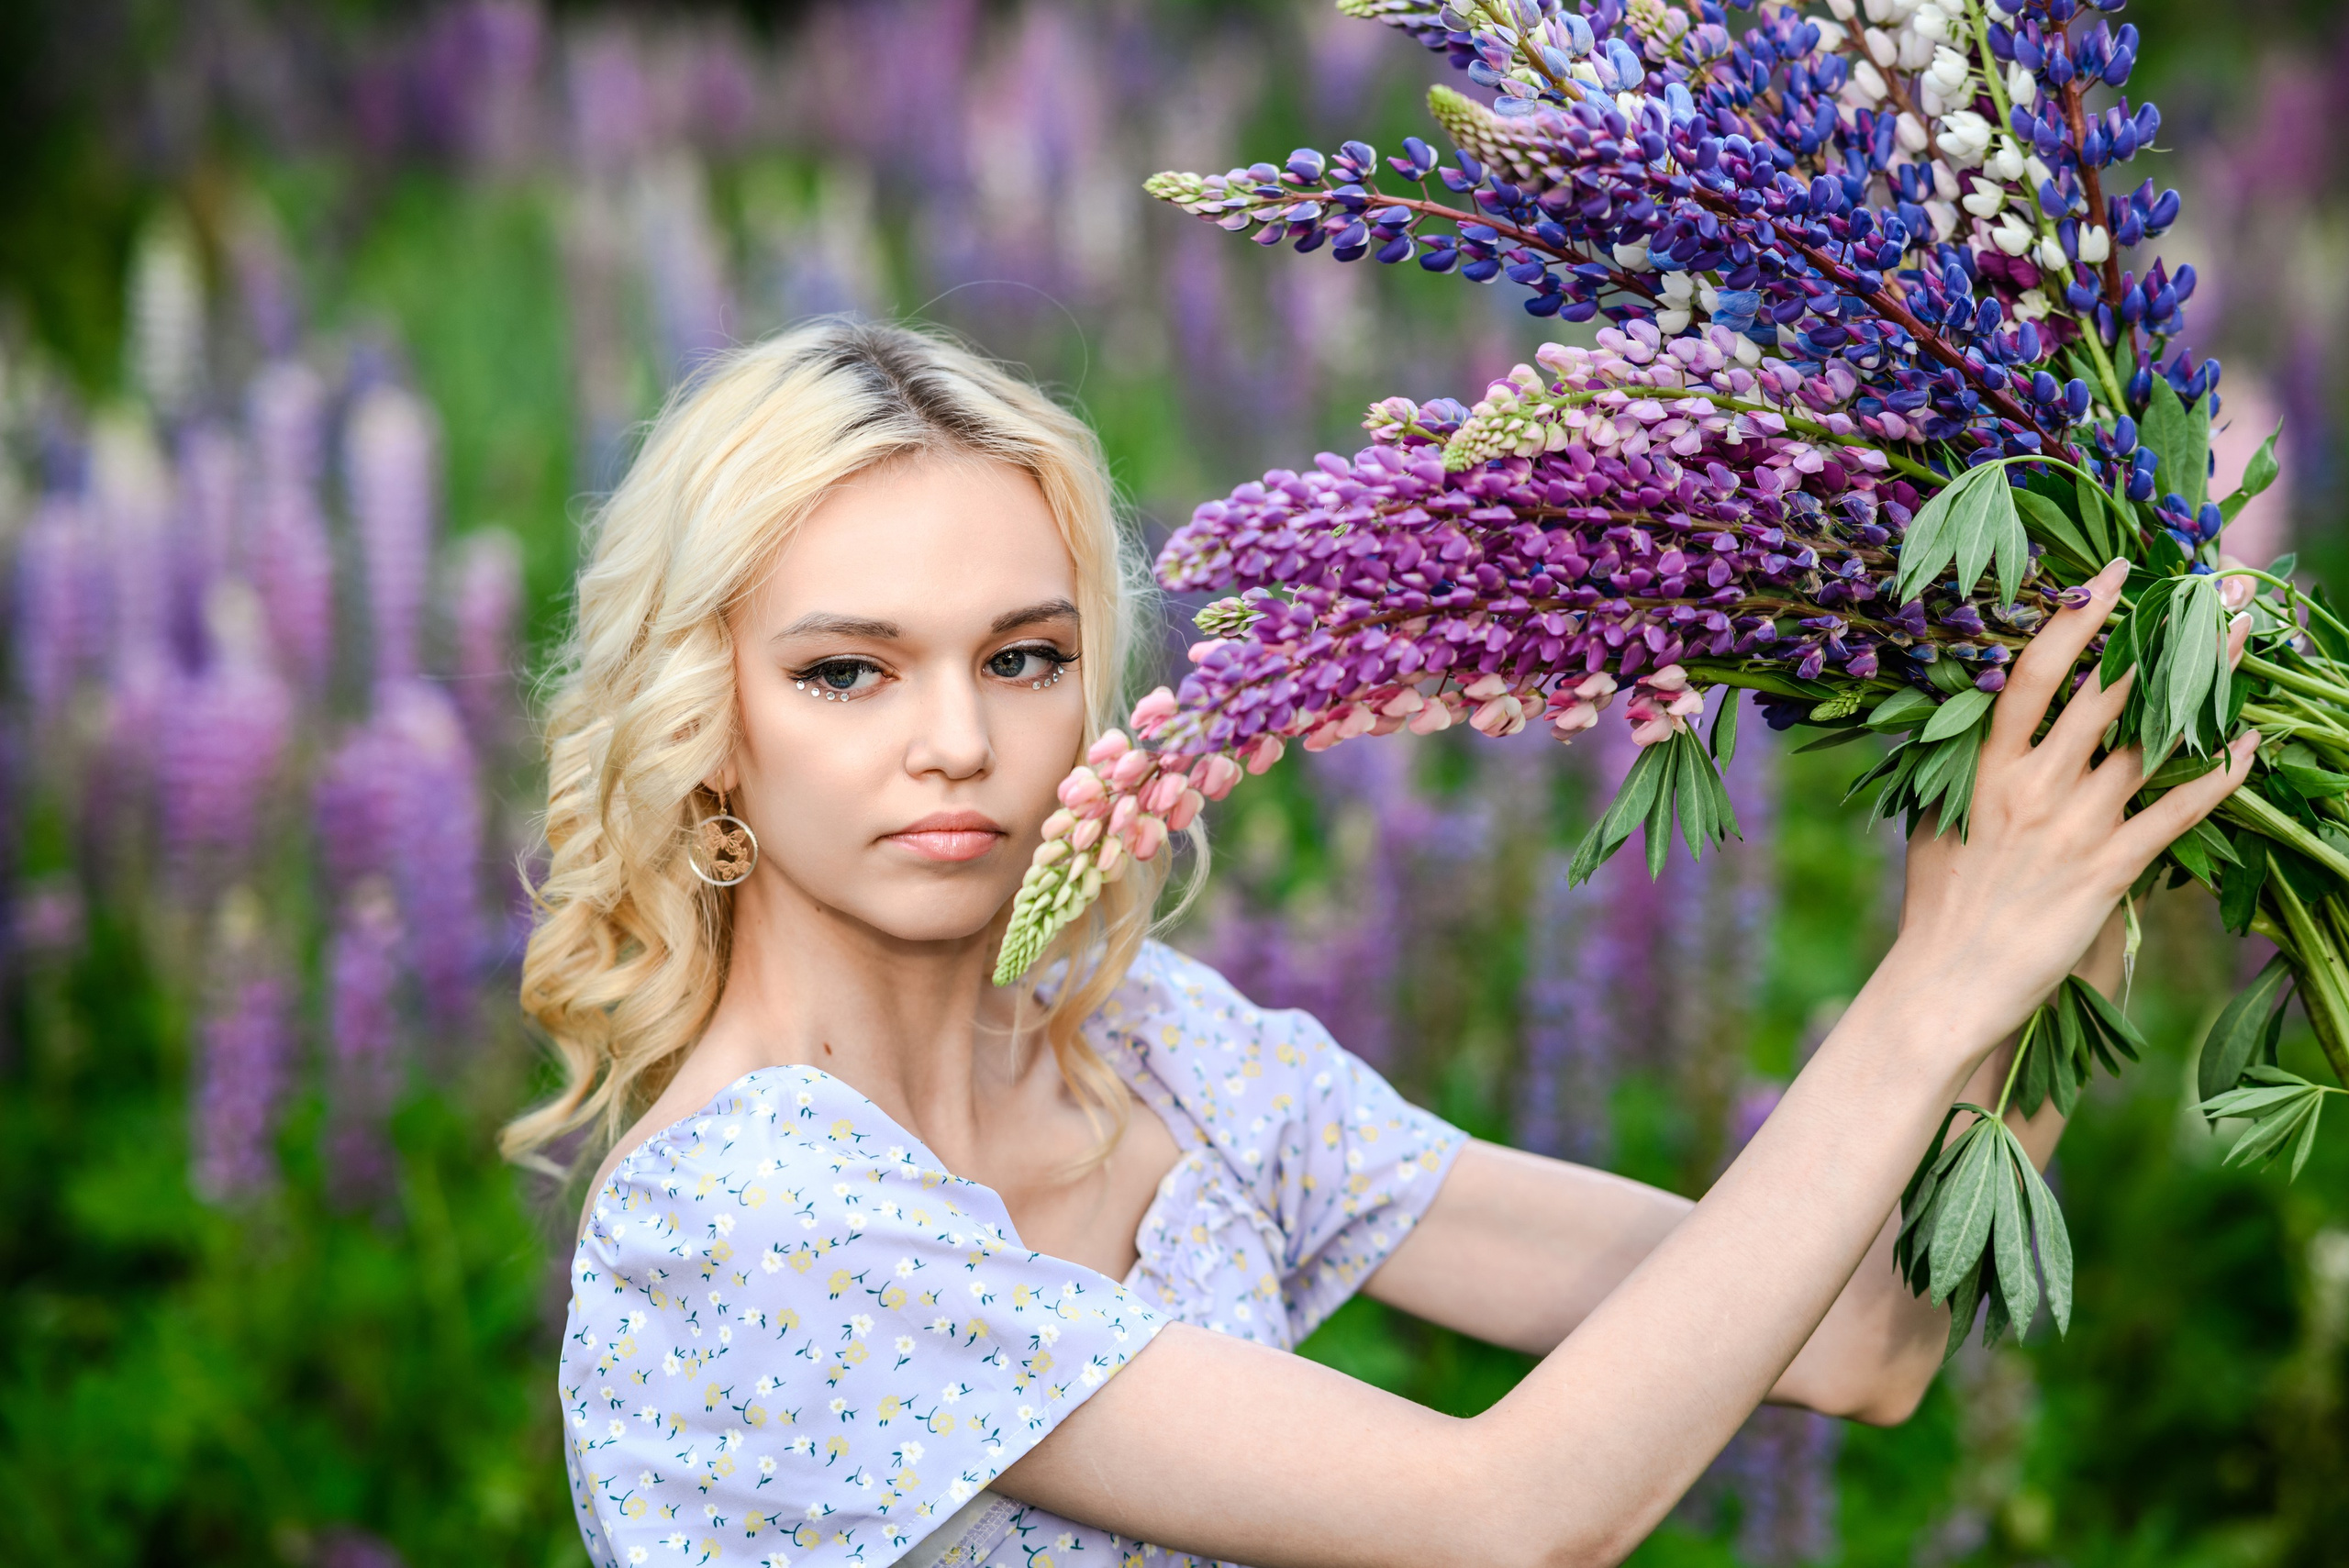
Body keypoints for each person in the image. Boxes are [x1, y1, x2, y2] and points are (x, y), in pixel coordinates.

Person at [505, 318, 2254, 1568]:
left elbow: (1855, 1334)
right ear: (708, 726)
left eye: (1023, 656)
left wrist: (2062, 906)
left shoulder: (1149, 1044)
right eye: (847, 670)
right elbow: (1509, 1516)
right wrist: (1935, 975)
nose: (956, 738)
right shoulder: (751, 1219)